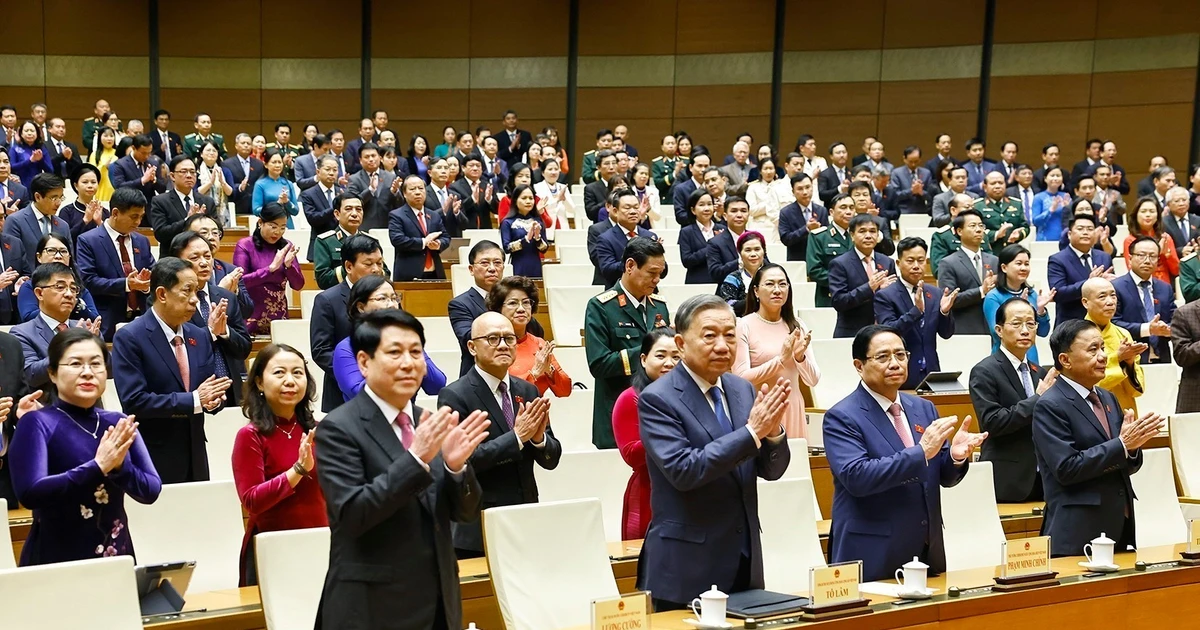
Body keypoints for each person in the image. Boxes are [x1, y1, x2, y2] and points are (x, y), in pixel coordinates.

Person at [313, 309, 489, 629]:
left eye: (416, 352)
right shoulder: (338, 428)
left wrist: (455, 468)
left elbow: (465, 514)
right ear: (364, 363)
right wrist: (416, 458)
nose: (408, 363)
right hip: (371, 609)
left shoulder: (429, 422)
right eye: (395, 352)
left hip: (437, 604)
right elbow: (353, 514)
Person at [637, 294, 791, 609]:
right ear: (680, 344)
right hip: (686, 566)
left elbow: (771, 470)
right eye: (710, 336)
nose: (722, 345)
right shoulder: (658, 399)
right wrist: (753, 432)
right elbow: (684, 470)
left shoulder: (741, 389)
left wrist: (773, 433)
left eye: (730, 336)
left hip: (744, 557)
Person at [824, 325, 984, 581]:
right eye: (883, 357)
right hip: (871, 550)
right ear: (858, 365)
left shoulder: (923, 408)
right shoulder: (842, 416)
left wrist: (955, 457)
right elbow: (857, 477)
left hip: (924, 548)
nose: (895, 363)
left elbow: (942, 476)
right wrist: (921, 452)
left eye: (901, 355)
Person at [9, 328, 158, 564]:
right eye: (76, 364)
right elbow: (31, 493)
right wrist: (98, 466)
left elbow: (151, 490)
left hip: (116, 558)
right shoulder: (37, 422)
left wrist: (121, 469)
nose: (87, 372)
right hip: (56, 560)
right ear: (53, 373)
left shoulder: (118, 422)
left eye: (96, 364)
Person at [436, 311, 561, 558]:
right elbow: (464, 461)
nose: (503, 345)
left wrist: (538, 440)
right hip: (477, 526)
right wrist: (516, 438)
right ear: (472, 347)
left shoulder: (527, 389)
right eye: (493, 339)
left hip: (525, 519)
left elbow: (551, 459)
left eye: (509, 338)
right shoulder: (455, 395)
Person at [1034, 319, 1162, 557]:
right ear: (1065, 360)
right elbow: (1067, 468)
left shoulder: (1107, 397)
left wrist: (1132, 450)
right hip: (1078, 530)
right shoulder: (1050, 405)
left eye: (1103, 348)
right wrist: (1122, 445)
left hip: (1119, 524)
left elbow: (1125, 463)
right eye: (1093, 350)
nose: (1103, 356)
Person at [112, 257, 232, 484]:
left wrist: (215, 400)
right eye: (187, 291)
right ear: (162, 294)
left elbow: (205, 390)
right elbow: (134, 400)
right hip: (152, 454)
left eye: (196, 291)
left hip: (195, 453)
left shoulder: (199, 335)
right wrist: (195, 399)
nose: (195, 300)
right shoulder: (130, 337)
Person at [231, 343, 326, 586]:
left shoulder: (320, 430)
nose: (290, 380)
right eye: (279, 373)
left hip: (323, 543)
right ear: (260, 383)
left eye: (297, 372)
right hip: (274, 548)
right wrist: (297, 471)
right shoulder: (250, 435)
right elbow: (251, 500)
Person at [585, 238, 671, 449]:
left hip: (658, 414)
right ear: (630, 265)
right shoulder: (601, 306)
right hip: (617, 413)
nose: (657, 280)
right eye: (652, 273)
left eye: (660, 274)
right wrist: (650, 353)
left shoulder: (659, 307)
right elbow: (599, 364)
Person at [971, 298, 1058, 503]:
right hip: (1009, 481)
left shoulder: (1039, 372)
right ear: (999, 330)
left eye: (1030, 323)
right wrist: (1038, 398)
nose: (1025, 330)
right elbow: (993, 422)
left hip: (1046, 479)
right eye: (1017, 323)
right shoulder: (984, 371)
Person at [734, 264, 820, 438]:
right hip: (761, 409)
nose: (777, 290)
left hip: (793, 407)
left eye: (782, 284)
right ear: (756, 291)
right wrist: (780, 360)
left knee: (796, 462)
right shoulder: (743, 325)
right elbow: (740, 378)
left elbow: (813, 380)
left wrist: (799, 357)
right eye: (770, 284)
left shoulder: (797, 325)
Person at [332, 274, 446, 402]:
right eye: (382, 299)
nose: (391, 305)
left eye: (394, 298)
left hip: (406, 419)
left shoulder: (408, 342)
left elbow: (437, 386)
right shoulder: (346, 348)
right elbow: (359, 394)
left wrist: (416, 354)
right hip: (364, 420)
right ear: (361, 307)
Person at [612, 328, 679, 540]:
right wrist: (671, 431)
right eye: (661, 355)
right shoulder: (630, 398)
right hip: (648, 492)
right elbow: (632, 455)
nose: (669, 363)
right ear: (643, 359)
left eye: (676, 356)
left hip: (689, 491)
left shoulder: (690, 396)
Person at [170, 230, 252, 406]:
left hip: (232, 390)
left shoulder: (225, 296)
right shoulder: (170, 300)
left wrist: (224, 331)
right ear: (177, 262)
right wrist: (210, 331)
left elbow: (244, 348)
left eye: (207, 256)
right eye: (195, 258)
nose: (204, 263)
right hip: (193, 393)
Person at [309, 233, 386, 411]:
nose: (376, 269)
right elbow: (321, 351)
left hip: (386, 392)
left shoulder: (387, 296)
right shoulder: (327, 300)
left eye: (379, 263)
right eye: (368, 264)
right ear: (349, 266)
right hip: (342, 396)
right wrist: (356, 374)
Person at [448, 241, 545, 378]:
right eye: (485, 263)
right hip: (478, 379)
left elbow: (537, 331)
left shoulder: (516, 302)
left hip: (521, 378)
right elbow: (469, 339)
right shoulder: (460, 304)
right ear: (471, 269)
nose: (492, 268)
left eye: (498, 263)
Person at [875, 237, 957, 389]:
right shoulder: (885, 295)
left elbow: (946, 334)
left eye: (920, 261)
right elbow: (889, 332)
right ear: (899, 264)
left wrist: (944, 312)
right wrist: (916, 311)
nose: (916, 266)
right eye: (910, 261)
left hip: (931, 373)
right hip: (901, 374)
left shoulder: (935, 293)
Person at [75, 188, 155, 341]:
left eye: (141, 217)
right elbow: (88, 281)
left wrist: (146, 284)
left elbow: (154, 271)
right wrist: (126, 284)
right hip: (107, 320)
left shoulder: (142, 241)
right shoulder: (88, 240)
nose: (138, 222)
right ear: (116, 213)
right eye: (134, 217)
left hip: (143, 317)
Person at [12, 261, 102, 389]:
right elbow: (31, 375)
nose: (69, 294)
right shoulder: (21, 333)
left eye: (73, 289)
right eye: (60, 287)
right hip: (44, 406)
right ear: (39, 293)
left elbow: (109, 371)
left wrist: (96, 348)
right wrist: (70, 345)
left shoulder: (86, 328)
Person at [484, 276, 571, 397]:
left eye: (526, 302)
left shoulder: (539, 343)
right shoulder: (491, 344)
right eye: (513, 303)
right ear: (499, 308)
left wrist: (549, 371)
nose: (521, 309)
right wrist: (534, 373)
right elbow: (497, 392)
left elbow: (565, 391)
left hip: (539, 413)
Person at [233, 203, 304, 335]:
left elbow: (298, 285)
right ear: (261, 222)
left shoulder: (286, 246)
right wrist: (270, 269)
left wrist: (289, 267)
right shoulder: (245, 245)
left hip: (279, 317)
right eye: (273, 226)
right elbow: (240, 281)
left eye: (283, 227)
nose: (278, 232)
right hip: (251, 316)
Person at [1082, 277, 1146, 414]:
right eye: (1102, 296)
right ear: (1085, 302)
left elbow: (1137, 390)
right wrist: (1117, 357)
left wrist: (1129, 364)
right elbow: (1083, 381)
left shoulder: (1123, 334)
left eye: (1113, 295)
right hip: (1091, 409)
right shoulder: (1076, 335)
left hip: (1124, 408)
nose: (1110, 302)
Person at [982, 245, 1053, 364]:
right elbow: (997, 332)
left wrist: (1041, 312)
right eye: (1018, 263)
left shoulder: (1032, 294)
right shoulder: (993, 296)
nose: (1023, 268)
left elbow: (1043, 332)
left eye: (1026, 264)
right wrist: (1017, 308)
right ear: (1004, 267)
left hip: (1030, 358)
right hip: (1004, 360)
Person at [829, 213, 897, 337]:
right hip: (852, 333)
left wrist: (887, 292)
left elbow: (896, 298)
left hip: (883, 331)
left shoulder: (887, 262)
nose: (868, 236)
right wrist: (869, 287)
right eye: (862, 231)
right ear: (852, 235)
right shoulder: (839, 264)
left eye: (872, 231)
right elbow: (839, 302)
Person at [1113, 236, 1176, 364]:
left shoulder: (1165, 288)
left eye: (1152, 256)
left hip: (1162, 357)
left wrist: (1168, 329)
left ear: (1158, 260)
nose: (1147, 261)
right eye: (1141, 255)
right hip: (1130, 359)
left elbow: (1175, 319)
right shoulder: (1115, 287)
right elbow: (1113, 323)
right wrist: (1148, 329)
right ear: (1130, 258)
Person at [936, 208, 999, 335]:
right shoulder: (948, 263)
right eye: (973, 226)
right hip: (966, 328)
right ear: (959, 231)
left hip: (994, 328)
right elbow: (950, 300)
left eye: (981, 225)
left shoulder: (994, 261)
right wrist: (982, 291)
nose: (979, 229)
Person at [1049, 214, 1114, 326]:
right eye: (1080, 229)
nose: (1085, 232)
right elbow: (1058, 293)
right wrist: (1089, 282)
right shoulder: (1057, 259)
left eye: (1090, 229)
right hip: (1071, 324)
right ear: (1069, 234)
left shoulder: (1104, 257)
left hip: (1101, 323)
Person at [16, 235, 100, 322]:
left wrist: (77, 305)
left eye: (63, 251)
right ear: (39, 257)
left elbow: (95, 319)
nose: (58, 256)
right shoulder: (29, 286)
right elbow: (28, 317)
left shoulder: (78, 288)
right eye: (51, 250)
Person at [149, 156, 218, 259]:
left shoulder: (207, 201)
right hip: (172, 261)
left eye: (192, 172)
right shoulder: (160, 201)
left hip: (202, 259)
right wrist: (187, 221)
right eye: (183, 171)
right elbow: (161, 234)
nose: (189, 176)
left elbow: (219, 230)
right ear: (172, 176)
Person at [593, 189, 663, 287]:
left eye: (636, 207)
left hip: (648, 293)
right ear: (615, 211)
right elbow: (608, 271)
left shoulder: (649, 236)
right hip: (619, 295)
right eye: (627, 208)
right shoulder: (605, 238)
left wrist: (657, 256)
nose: (633, 212)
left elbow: (663, 272)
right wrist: (639, 256)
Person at [4, 172, 70, 272]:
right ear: (38, 197)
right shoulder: (15, 221)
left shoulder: (63, 225)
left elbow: (70, 259)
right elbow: (11, 260)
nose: (58, 202)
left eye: (61, 198)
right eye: (54, 198)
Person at [390, 175, 451, 281]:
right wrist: (423, 242)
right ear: (404, 193)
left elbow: (446, 237)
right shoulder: (397, 215)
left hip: (435, 272)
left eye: (421, 188)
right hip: (409, 273)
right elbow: (397, 240)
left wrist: (438, 244)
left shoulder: (434, 215)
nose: (418, 192)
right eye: (413, 189)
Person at [312, 193, 375, 290]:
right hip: (340, 296)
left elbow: (385, 272)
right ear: (337, 214)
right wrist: (356, 267)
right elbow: (323, 280)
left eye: (358, 209)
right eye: (348, 209)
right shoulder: (325, 241)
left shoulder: (371, 241)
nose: (354, 214)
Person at [806, 193, 854, 307]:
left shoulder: (858, 236)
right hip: (829, 296)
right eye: (843, 207)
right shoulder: (819, 236)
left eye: (851, 208)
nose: (848, 212)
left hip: (857, 297)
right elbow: (814, 270)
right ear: (831, 212)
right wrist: (844, 281)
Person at [1123, 197, 1179, 287]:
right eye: (1143, 211)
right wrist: (1157, 252)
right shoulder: (1130, 240)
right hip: (1140, 286)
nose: (1148, 215)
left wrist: (1167, 255)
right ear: (1136, 215)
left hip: (1164, 286)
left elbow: (1176, 270)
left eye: (1152, 211)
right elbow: (1132, 269)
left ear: (1157, 216)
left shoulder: (1165, 238)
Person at [499, 184, 549, 278]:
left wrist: (537, 238)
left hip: (535, 266)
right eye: (524, 198)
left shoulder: (538, 221)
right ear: (515, 200)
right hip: (518, 266)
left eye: (531, 198)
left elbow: (544, 249)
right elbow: (506, 248)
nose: (528, 201)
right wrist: (525, 239)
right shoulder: (507, 222)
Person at [778, 173, 827, 262]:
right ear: (793, 192)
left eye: (808, 187)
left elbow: (827, 238)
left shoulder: (822, 211)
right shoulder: (786, 212)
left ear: (813, 188)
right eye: (800, 189)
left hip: (819, 260)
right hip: (797, 261)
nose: (805, 192)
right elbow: (786, 239)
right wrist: (806, 229)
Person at [678, 189, 724, 284]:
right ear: (693, 210)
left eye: (709, 204)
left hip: (720, 282)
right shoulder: (686, 232)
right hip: (697, 281)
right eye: (701, 205)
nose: (706, 208)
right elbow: (687, 261)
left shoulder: (722, 229)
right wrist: (712, 247)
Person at [717, 231, 767, 316]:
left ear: (764, 251)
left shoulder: (773, 275)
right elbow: (727, 304)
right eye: (748, 250)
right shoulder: (733, 278)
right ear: (740, 253)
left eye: (757, 249)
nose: (753, 254)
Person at [108, 134, 168, 202]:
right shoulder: (120, 164)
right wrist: (142, 180)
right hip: (130, 206)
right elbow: (119, 187)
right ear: (133, 148)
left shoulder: (153, 163)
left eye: (149, 153)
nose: (147, 156)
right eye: (143, 153)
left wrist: (154, 180)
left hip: (149, 207)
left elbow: (162, 189)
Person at [251, 149, 301, 228]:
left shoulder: (288, 183)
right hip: (269, 226)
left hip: (287, 226)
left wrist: (286, 201)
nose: (277, 165)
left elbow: (295, 211)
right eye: (274, 162)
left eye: (279, 162)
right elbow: (256, 210)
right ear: (266, 164)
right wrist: (277, 204)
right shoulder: (260, 184)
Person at [58, 163, 108, 241]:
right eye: (85, 182)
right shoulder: (67, 211)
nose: (90, 185)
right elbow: (63, 239)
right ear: (76, 186)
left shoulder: (104, 211)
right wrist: (85, 220)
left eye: (93, 182)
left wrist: (100, 223)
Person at [745, 157, 788, 238]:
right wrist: (770, 204)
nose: (768, 172)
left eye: (771, 168)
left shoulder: (782, 186)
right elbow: (751, 210)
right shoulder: (753, 187)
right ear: (760, 171)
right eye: (765, 169)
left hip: (777, 227)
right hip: (758, 227)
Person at [1031, 166, 1071, 241]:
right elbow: (1036, 221)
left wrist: (1067, 209)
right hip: (1044, 238)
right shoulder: (1039, 197)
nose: (1055, 178)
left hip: (1064, 238)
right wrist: (1051, 210)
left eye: (1058, 176)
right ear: (1045, 179)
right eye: (1052, 175)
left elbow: (1072, 220)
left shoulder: (1066, 196)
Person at [9, 121, 51, 186]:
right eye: (26, 131)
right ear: (21, 134)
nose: (29, 133)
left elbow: (50, 170)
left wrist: (40, 160)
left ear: (37, 133)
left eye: (32, 131)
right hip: (19, 185)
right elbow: (11, 167)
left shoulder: (42, 148)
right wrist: (30, 160)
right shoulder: (15, 149)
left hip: (38, 185)